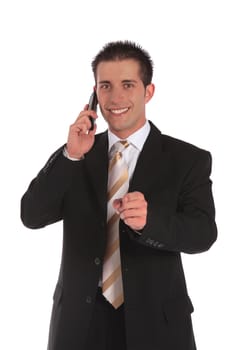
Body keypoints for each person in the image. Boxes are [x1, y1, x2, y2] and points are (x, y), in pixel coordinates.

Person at [21, 41, 217, 350]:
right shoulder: (77, 155)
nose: (116, 97)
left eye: (128, 85)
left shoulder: (187, 159)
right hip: (80, 325)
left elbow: (203, 234)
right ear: (95, 95)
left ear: (148, 91)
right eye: (106, 86)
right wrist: (70, 156)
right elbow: (31, 215)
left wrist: (151, 221)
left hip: (158, 326)